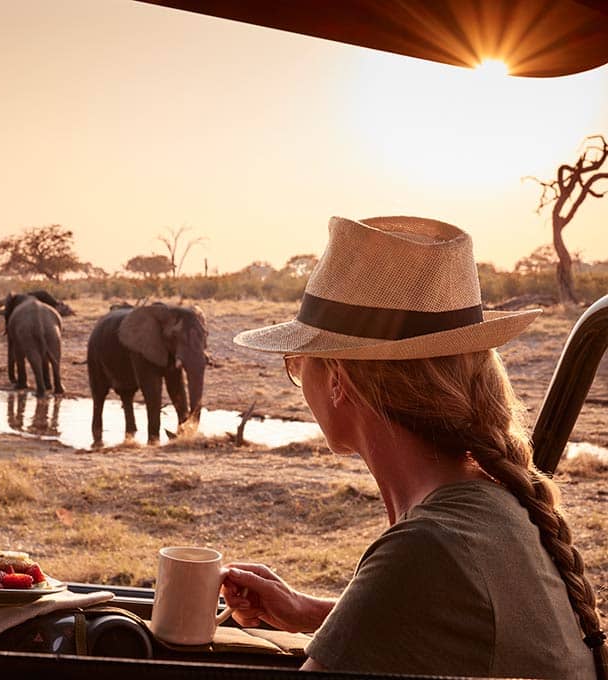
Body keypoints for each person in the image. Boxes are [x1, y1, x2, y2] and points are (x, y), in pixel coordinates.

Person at [221, 216, 607, 679]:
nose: (299, 381)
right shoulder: (490, 508)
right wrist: (311, 615)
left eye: (298, 364)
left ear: (339, 380)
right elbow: (447, 636)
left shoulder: (428, 548)